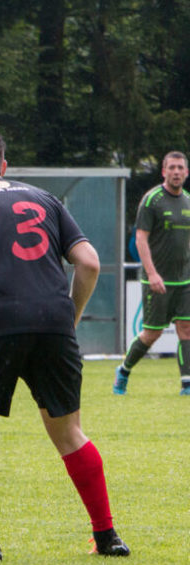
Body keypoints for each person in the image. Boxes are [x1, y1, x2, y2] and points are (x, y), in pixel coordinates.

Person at [0, 121, 128, 561]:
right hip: (54, 322)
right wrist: (67, 318)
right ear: (4, 164)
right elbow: (89, 263)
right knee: (68, 431)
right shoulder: (44, 199)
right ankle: (107, 537)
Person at [113, 151, 190, 396]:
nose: (176, 172)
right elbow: (140, 240)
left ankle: (187, 385)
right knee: (152, 333)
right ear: (164, 172)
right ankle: (123, 371)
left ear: (186, 172)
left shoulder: (188, 201)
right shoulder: (151, 200)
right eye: (172, 168)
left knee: (186, 329)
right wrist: (152, 273)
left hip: (185, 279)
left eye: (180, 168)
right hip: (157, 279)